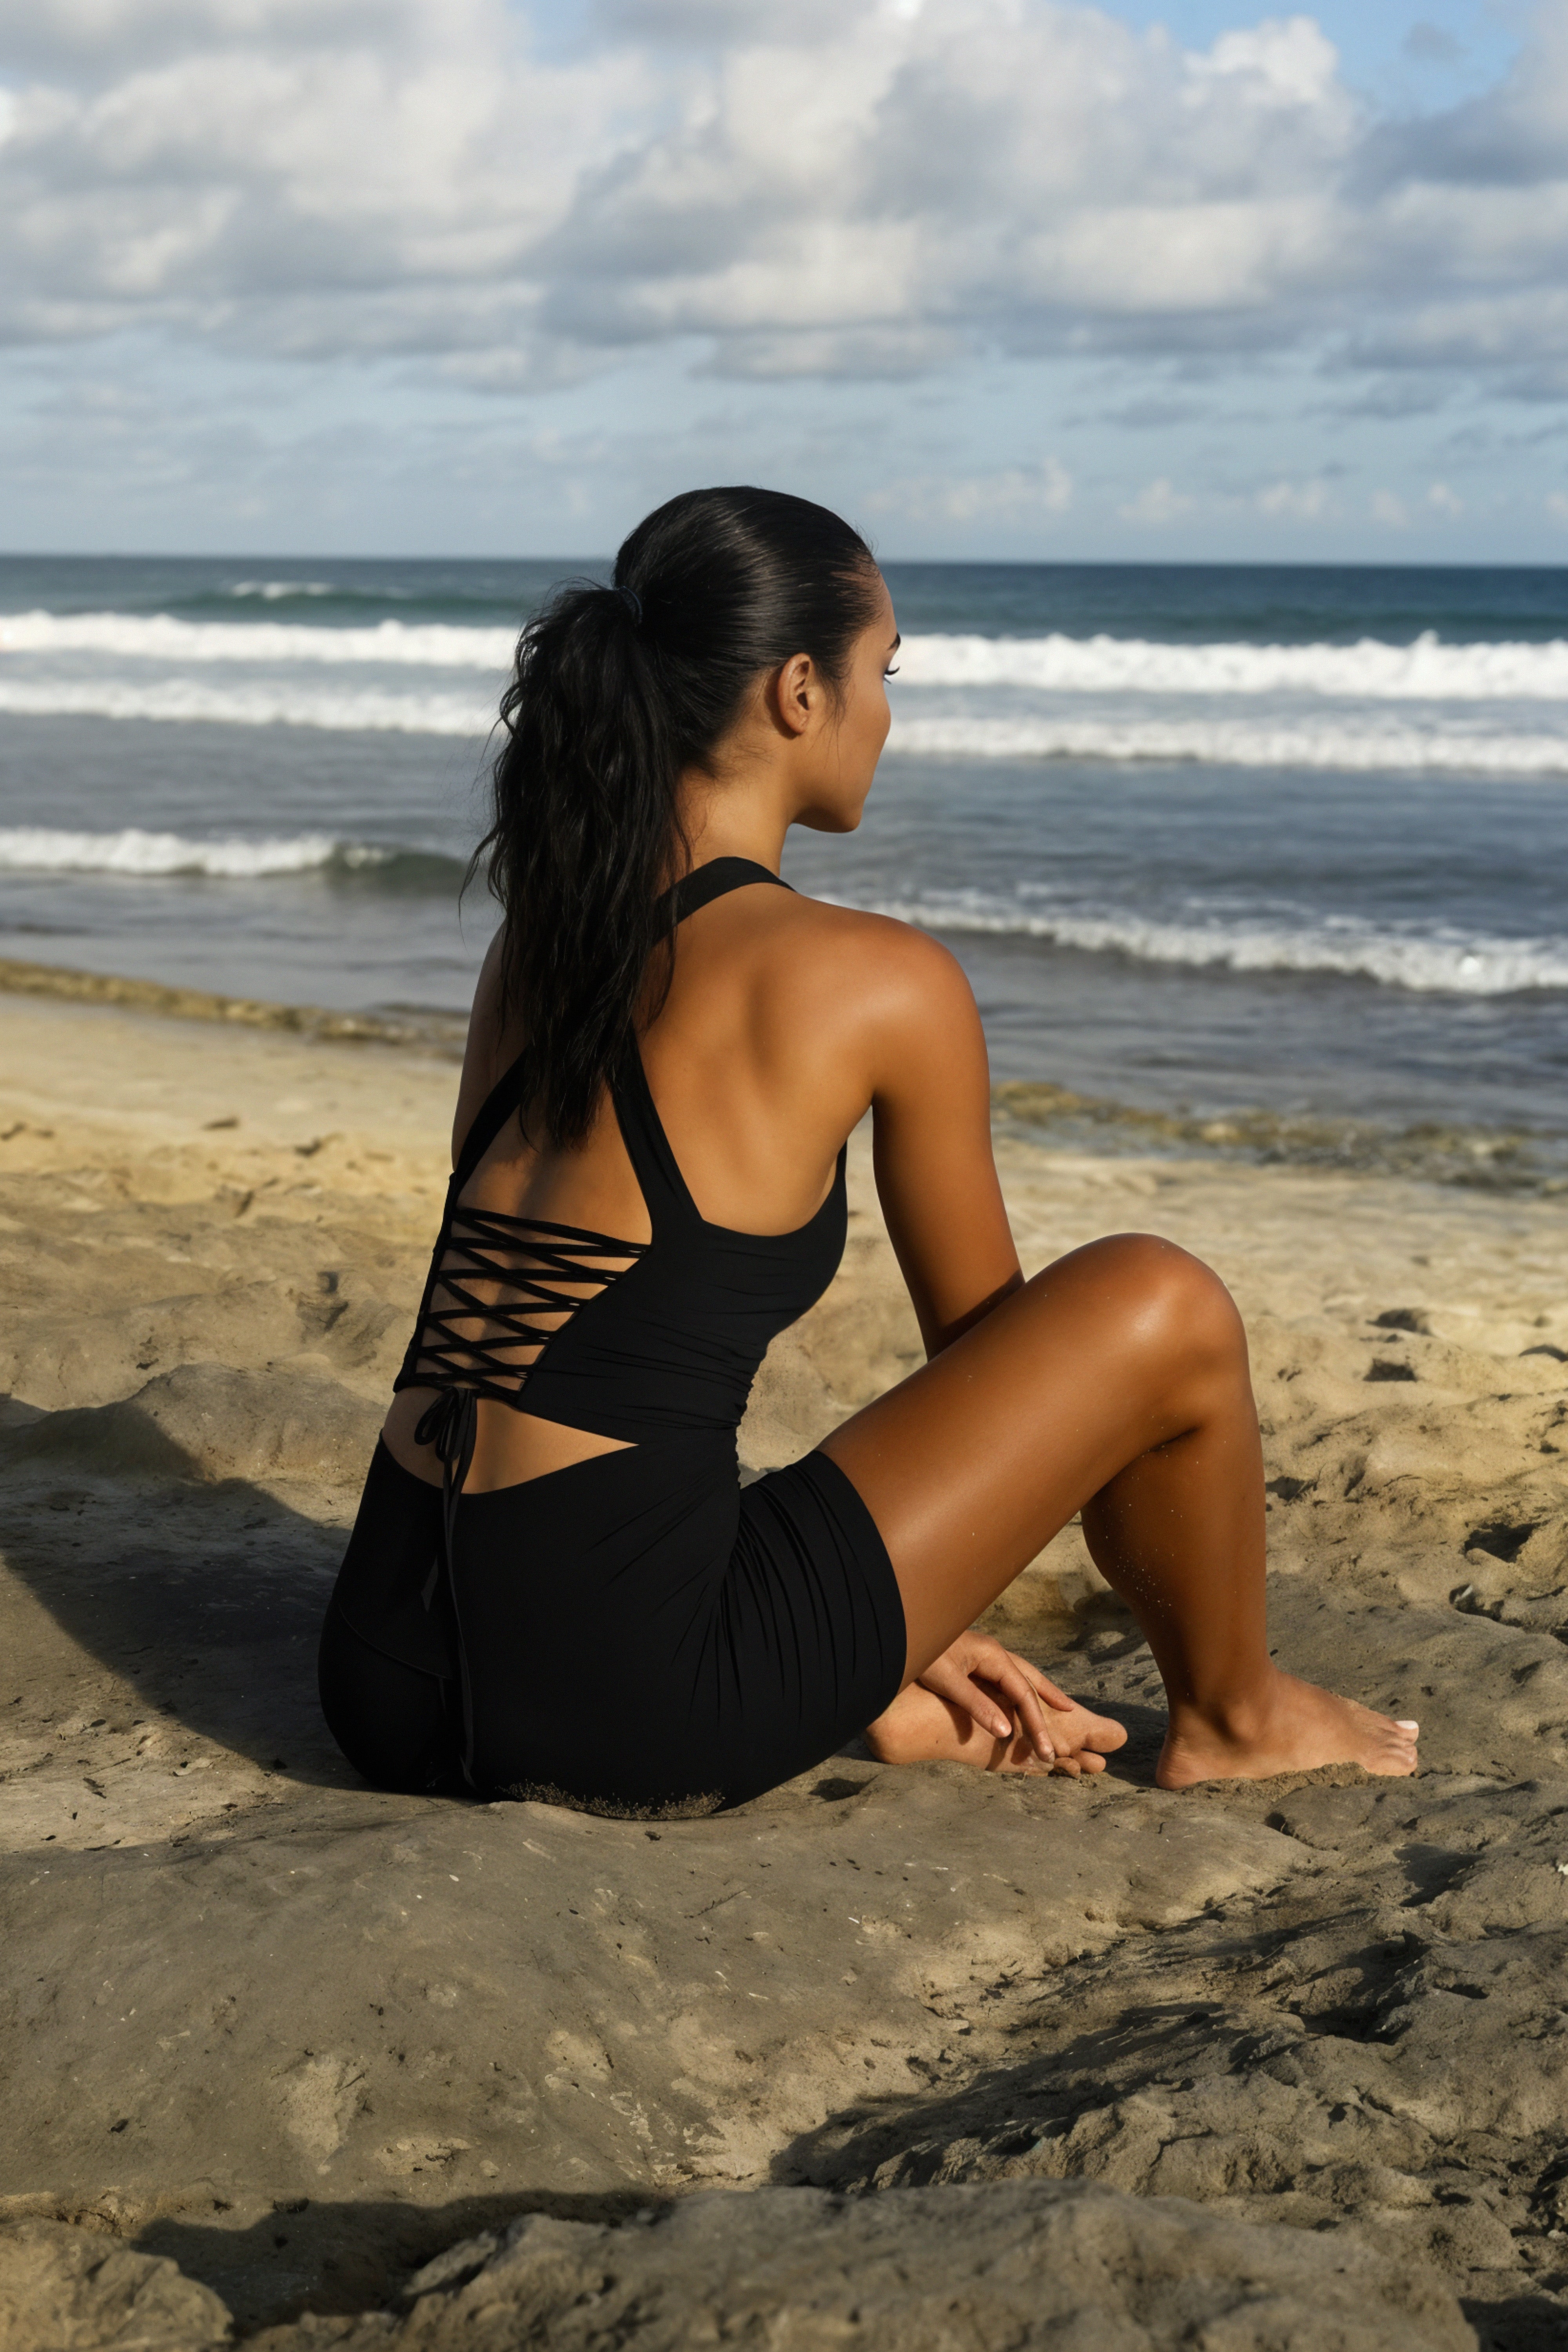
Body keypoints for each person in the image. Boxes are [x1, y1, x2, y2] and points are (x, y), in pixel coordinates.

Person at [318, 486, 1419, 1815]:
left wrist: (881, 1634)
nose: (887, 711)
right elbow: (1000, 1368)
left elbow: (574, 1354)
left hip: (386, 1669)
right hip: (621, 1708)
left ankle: (858, 1687)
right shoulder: (874, 980)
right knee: (1158, 1300)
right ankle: (1237, 1716)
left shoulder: (535, 948)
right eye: (881, 673)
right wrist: (904, 1591)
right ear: (798, 691)